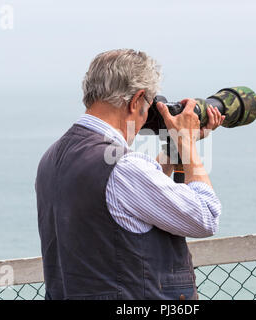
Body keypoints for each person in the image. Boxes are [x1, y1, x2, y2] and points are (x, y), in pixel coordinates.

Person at [35, 49, 224, 300]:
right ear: (136, 101)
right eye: (147, 107)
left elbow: (130, 194)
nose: (146, 117)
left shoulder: (53, 157)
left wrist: (174, 148)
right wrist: (187, 145)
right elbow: (206, 217)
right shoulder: (123, 168)